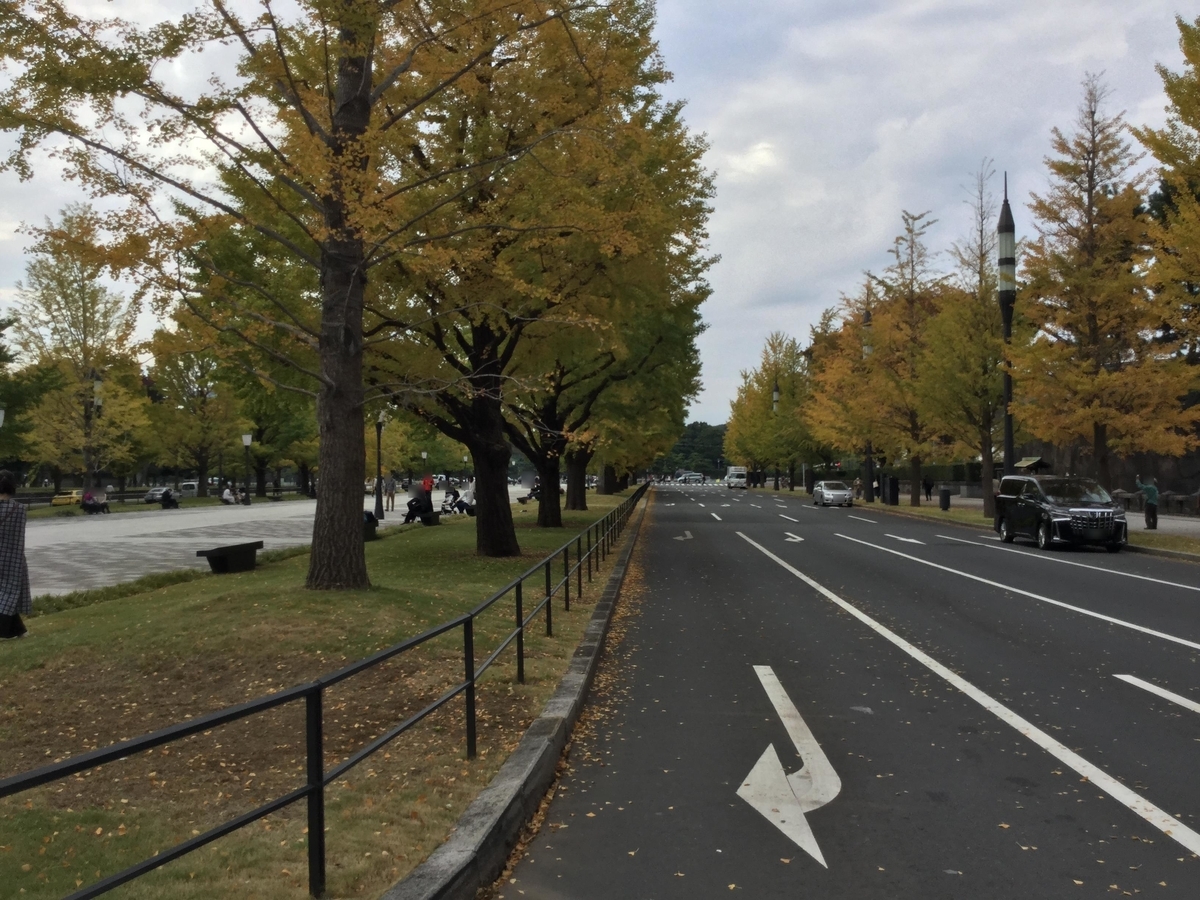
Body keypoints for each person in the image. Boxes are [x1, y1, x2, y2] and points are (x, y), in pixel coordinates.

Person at [0, 470, 31, 639]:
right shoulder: (20, 509)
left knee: (4, 594)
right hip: (13, 558)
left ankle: (11, 630)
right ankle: (12, 630)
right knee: (9, 592)